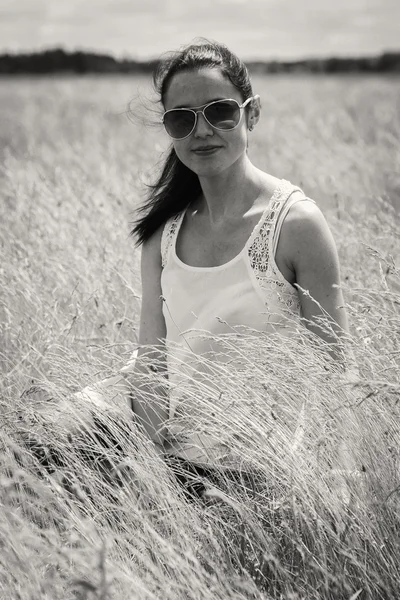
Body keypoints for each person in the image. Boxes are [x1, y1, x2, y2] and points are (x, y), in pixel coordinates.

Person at [106, 39, 353, 499]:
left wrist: (330, 493)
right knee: (30, 451)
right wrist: (149, 473)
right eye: (182, 118)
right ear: (170, 130)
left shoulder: (296, 224)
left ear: (251, 114)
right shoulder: (162, 233)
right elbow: (151, 365)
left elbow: (334, 371)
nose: (202, 131)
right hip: (168, 445)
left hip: (252, 462)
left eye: (220, 111)